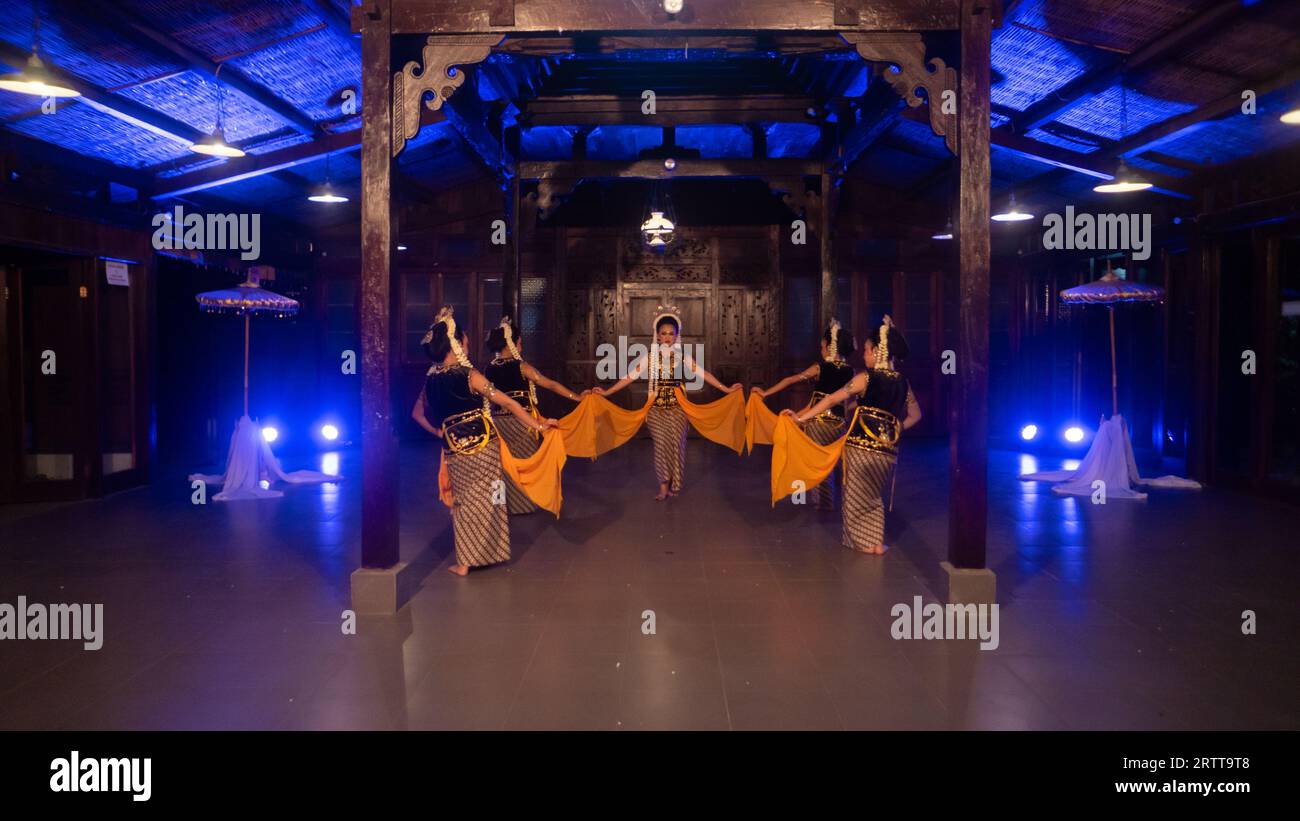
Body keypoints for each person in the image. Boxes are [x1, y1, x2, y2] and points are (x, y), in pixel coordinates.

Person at [411, 307, 558, 576]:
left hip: (454, 448)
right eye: (464, 339)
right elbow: (508, 402)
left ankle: (466, 561)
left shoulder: (430, 380)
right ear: (455, 345)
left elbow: (416, 414)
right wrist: (539, 424)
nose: (467, 343)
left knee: (464, 502)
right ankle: (491, 552)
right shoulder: (471, 376)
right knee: (491, 497)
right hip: (484, 446)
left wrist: (438, 432)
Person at [787, 315, 920, 555]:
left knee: (855, 497)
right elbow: (915, 415)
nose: (864, 355)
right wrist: (895, 429)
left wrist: (800, 418)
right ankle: (877, 542)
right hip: (887, 453)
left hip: (859, 448)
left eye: (868, 350)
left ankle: (865, 543)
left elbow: (831, 399)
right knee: (873, 496)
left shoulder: (864, 379)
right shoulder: (903, 383)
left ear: (879, 351)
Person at [593, 306, 741, 500]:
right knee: (661, 444)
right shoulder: (650, 357)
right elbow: (630, 376)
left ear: (677, 336)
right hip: (655, 409)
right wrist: (607, 392)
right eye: (663, 333)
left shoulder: (681, 356)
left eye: (671, 333)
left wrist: (727, 389)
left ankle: (672, 484)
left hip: (678, 408)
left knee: (676, 446)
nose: (667, 337)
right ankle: (663, 487)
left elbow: (703, 373)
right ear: (657, 335)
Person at [482, 317, 587, 514]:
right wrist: (578, 397)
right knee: (527, 465)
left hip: (499, 424)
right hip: (522, 422)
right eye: (519, 341)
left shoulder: (488, 369)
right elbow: (551, 384)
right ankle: (524, 505)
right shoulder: (521, 367)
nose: (521, 346)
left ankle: (502, 507)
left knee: (503, 465)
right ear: (511, 343)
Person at [753, 319, 855, 510]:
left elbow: (791, 380)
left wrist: (766, 393)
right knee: (831, 462)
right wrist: (797, 417)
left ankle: (823, 503)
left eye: (823, 347)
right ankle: (828, 501)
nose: (821, 350)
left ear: (829, 347)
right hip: (839, 425)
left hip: (819, 423)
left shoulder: (820, 367)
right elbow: (834, 402)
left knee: (815, 461)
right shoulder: (850, 371)